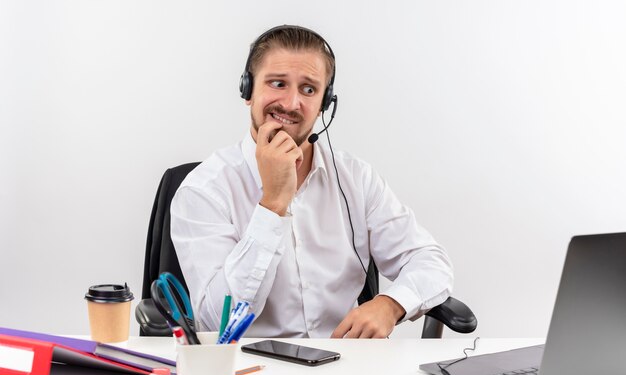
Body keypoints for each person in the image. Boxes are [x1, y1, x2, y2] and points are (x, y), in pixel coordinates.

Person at [170, 25, 453, 338]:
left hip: (345, 363)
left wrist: (390, 303)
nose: (291, 103)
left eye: (308, 90)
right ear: (248, 90)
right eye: (278, 83)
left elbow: (430, 261)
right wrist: (273, 205)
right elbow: (217, 323)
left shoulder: (355, 179)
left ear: (324, 102)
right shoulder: (204, 189)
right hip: (248, 370)